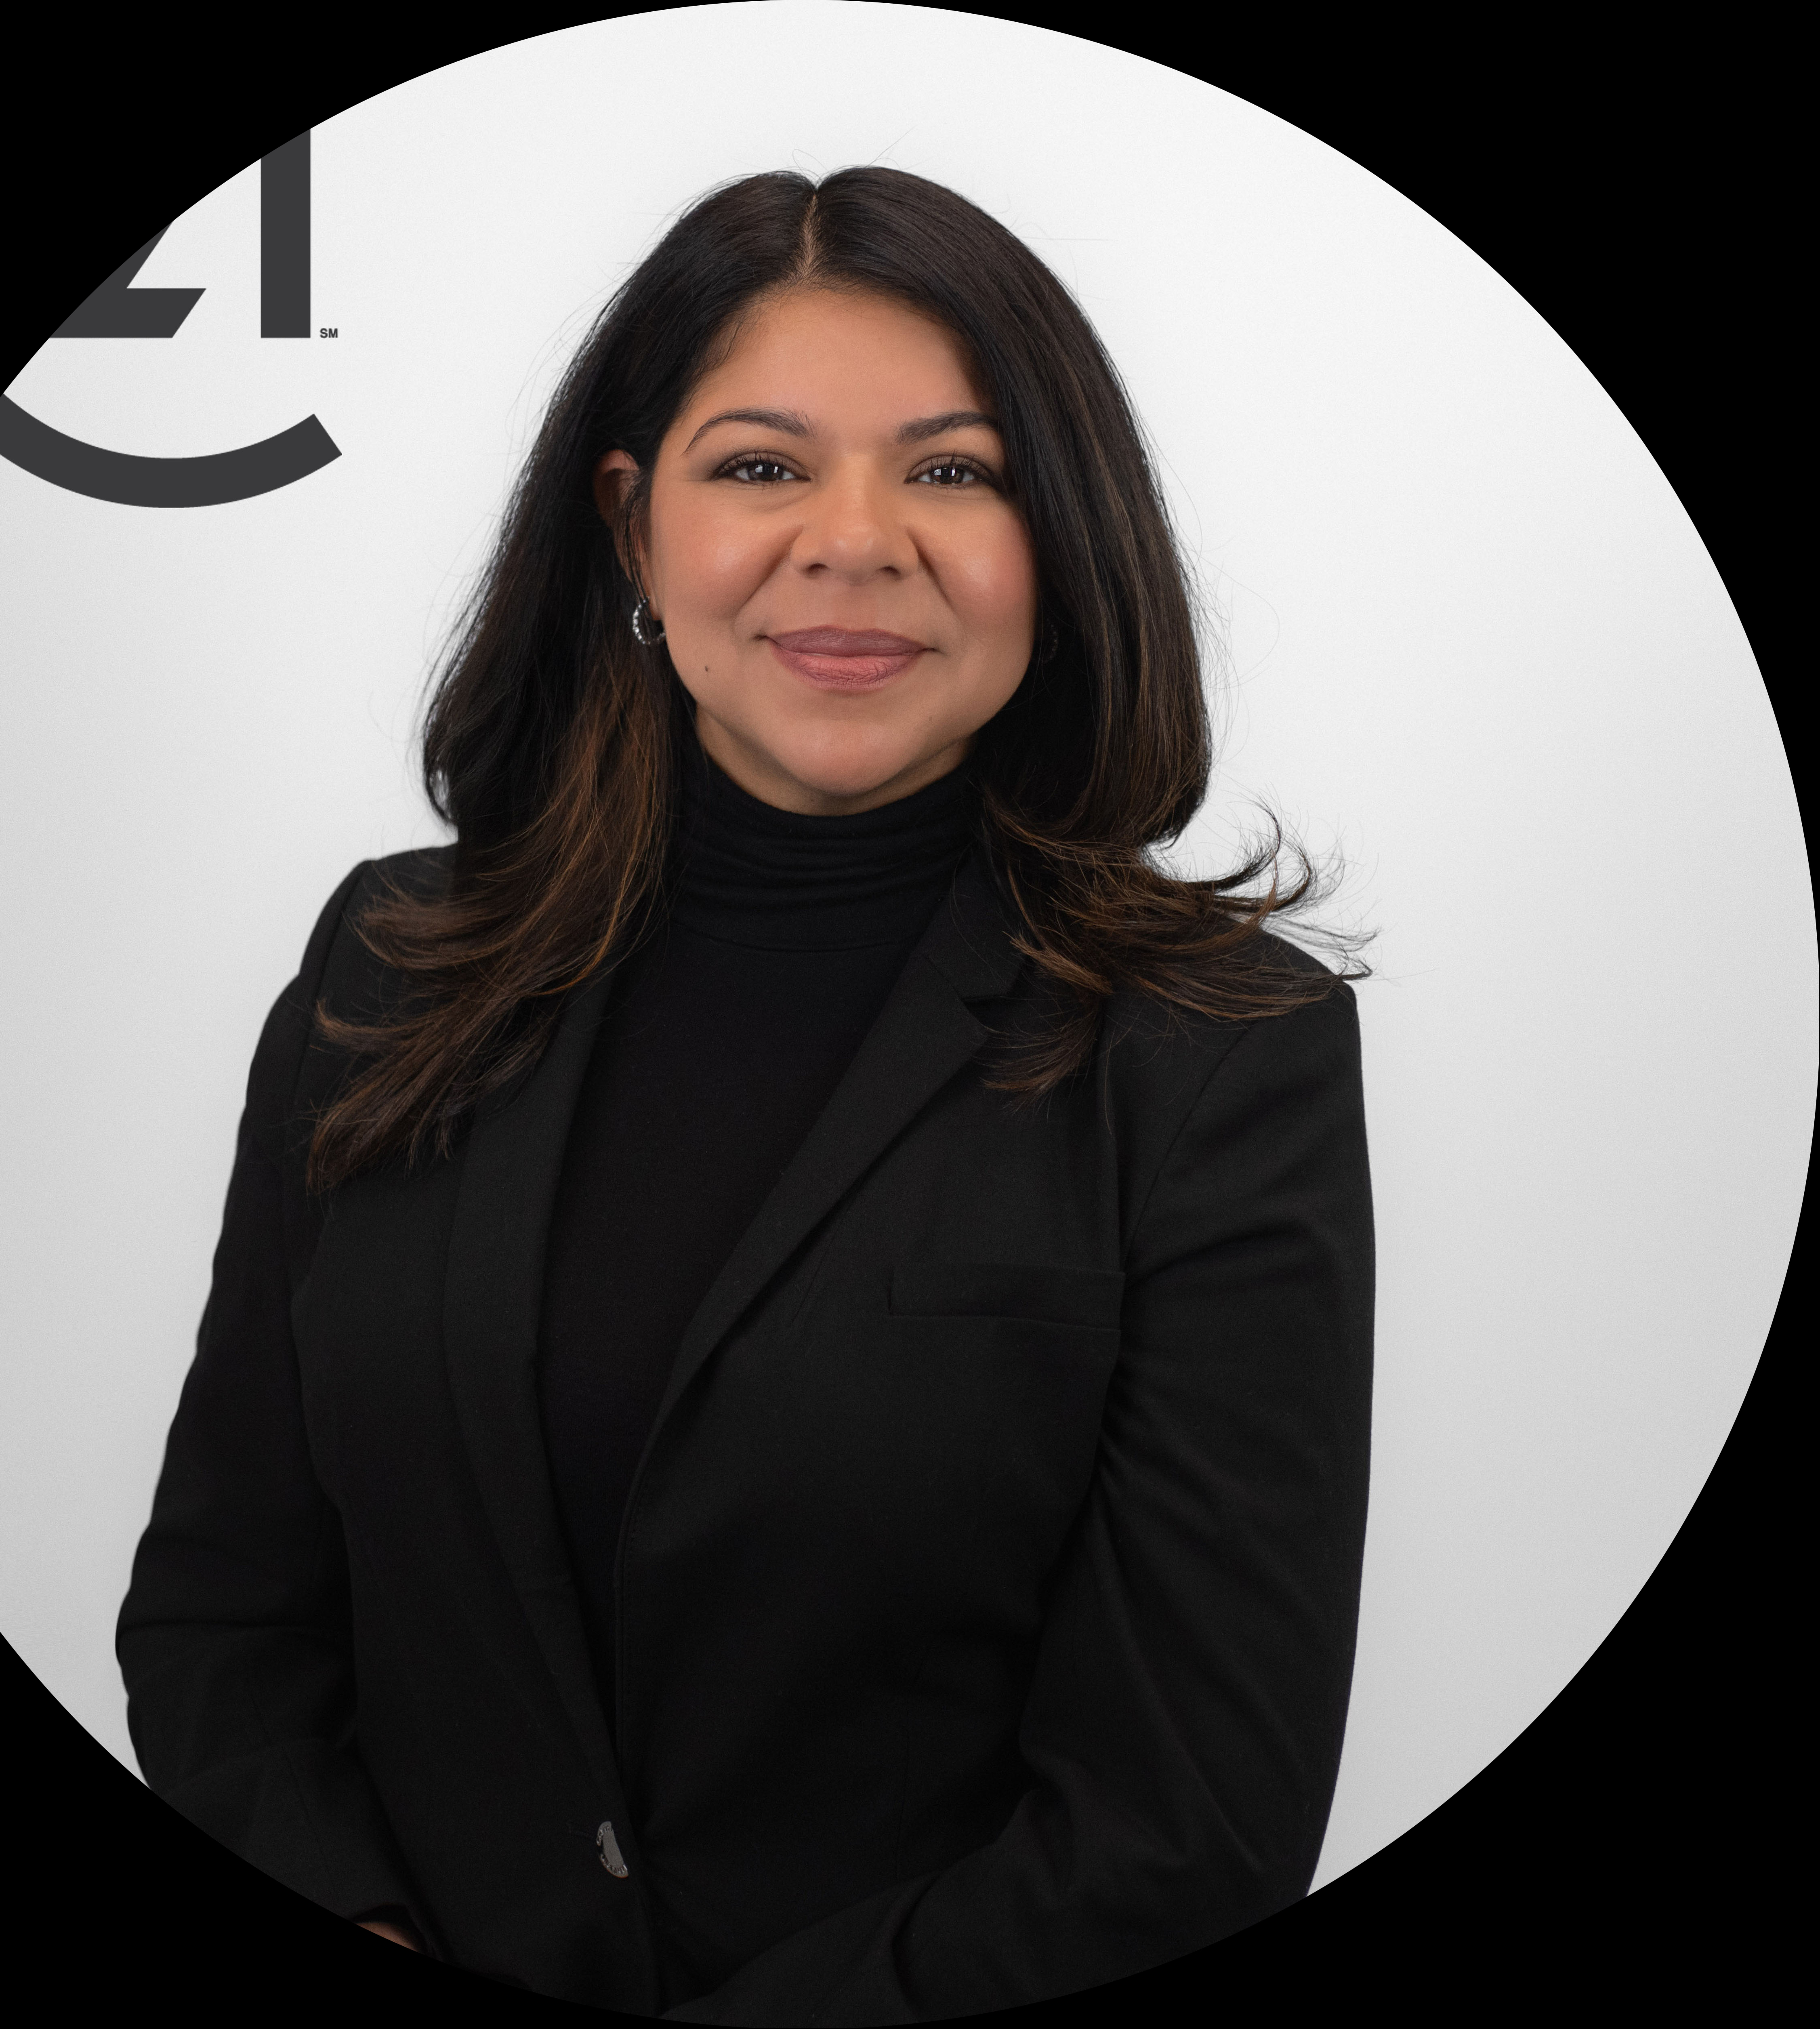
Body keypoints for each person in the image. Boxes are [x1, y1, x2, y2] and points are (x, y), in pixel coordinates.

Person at [118, 165, 1374, 2021]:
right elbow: (226, 1618)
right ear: (631, 524)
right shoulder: (389, 965)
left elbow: (1185, 1829)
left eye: (953, 471)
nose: (852, 540)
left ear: (1060, 535)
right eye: (762, 464)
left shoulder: (1213, 1052)